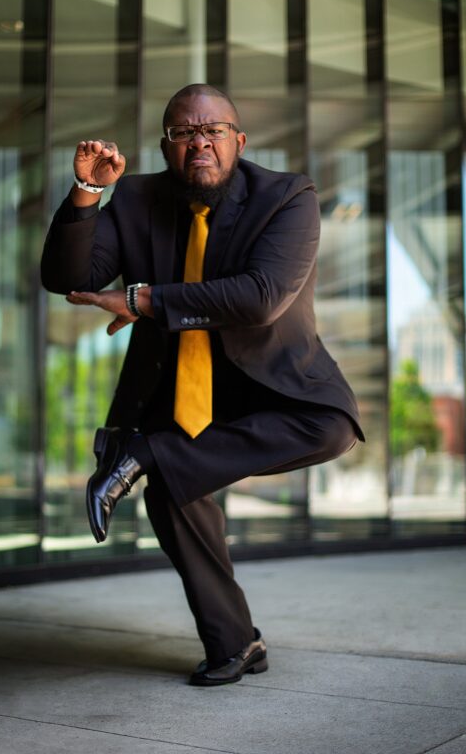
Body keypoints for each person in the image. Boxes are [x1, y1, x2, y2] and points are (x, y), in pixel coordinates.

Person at [40, 84, 364, 687]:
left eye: (213, 131)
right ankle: (236, 645)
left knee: (334, 426)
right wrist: (88, 193)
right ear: (167, 145)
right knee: (173, 491)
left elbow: (259, 298)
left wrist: (143, 299)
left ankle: (148, 454)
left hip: (270, 382)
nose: (200, 144)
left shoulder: (287, 197)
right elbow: (70, 275)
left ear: (238, 141)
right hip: (173, 384)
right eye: (185, 134)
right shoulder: (135, 198)